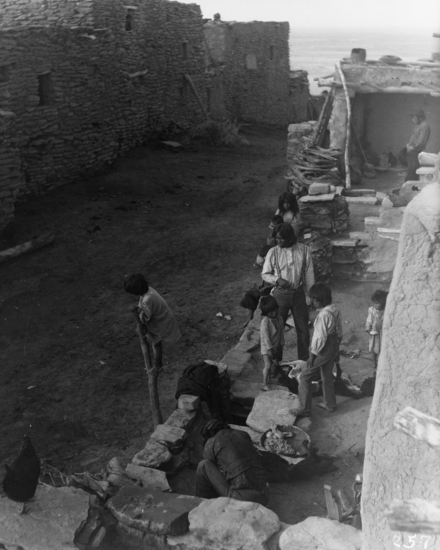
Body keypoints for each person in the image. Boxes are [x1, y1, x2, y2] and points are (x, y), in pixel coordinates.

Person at [262, 222, 315, 361]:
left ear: (290, 237)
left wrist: (312, 296)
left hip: (298, 294)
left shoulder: (304, 250)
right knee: (277, 332)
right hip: (280, 296)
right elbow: (265, 274)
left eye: (281, 239)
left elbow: (309, 275)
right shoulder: (273, 252)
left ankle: (302, 361)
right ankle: (276, 363)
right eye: (276, 238)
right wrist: (277, 279)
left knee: (303, 330)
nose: (278, 241)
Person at [196, 420, 269, 505]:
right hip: (264, 494)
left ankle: (202, 504)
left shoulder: (211, 442)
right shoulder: (243, 434)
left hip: (241, 500)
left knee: (203, 466)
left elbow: (210, 469)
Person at [296, 283, 342, 415]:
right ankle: (330, 405)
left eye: (315, 300)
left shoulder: (323, 316)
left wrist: (312, 355)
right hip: (333, 345)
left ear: (322, 300)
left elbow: (319, 338)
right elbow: (339, 331)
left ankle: (305, 409)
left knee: (305, 376)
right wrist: (336, 348)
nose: (312, 302)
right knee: (326, 375)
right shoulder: (334, 309)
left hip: (323, 348)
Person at [124, 273, 181, 371]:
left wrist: (139, 319)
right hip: (161, 317)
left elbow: (146, 316)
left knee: (156, 342)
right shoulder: (148, 291)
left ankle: (157, 365)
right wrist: (139, 309)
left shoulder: (147, 300)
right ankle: (158, 365)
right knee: (155, 342)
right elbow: (142, 306)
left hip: (159, 321)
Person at [259, 295, 284, 391]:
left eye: (276, 310)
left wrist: (281, 344)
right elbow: (266, 337)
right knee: (268, 365)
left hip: (276, 345)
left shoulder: (280, 319)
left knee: (275, 362)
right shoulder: (265, 322)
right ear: (266, 313)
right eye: (271, 312)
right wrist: (269, 349)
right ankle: (264, 384)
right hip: (266, 347)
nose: (274, 313)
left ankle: (269, 379)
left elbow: (281, 332)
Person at [398, 109, 431, 182]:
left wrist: (412, 147)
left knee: (411, 174)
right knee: (411, 173)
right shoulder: (418, 126)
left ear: (420, 118)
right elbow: (413, 138)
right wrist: (408, 145)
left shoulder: (425, 126)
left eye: (414, 118)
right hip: (412, 152)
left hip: (416, 152)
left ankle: (409, 190)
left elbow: (421, 141)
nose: (413, 120)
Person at [365, 289, 388, 369]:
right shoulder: (372, 310)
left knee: (382, 349)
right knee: (374, 349)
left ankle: (381, 363)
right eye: (374, 303)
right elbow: (369, 320)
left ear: (384, 303)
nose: (375, 305)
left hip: (382, 334)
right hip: (374, 334)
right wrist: (368, 329)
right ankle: (374, 363)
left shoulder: (386, 311)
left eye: (377, 303)